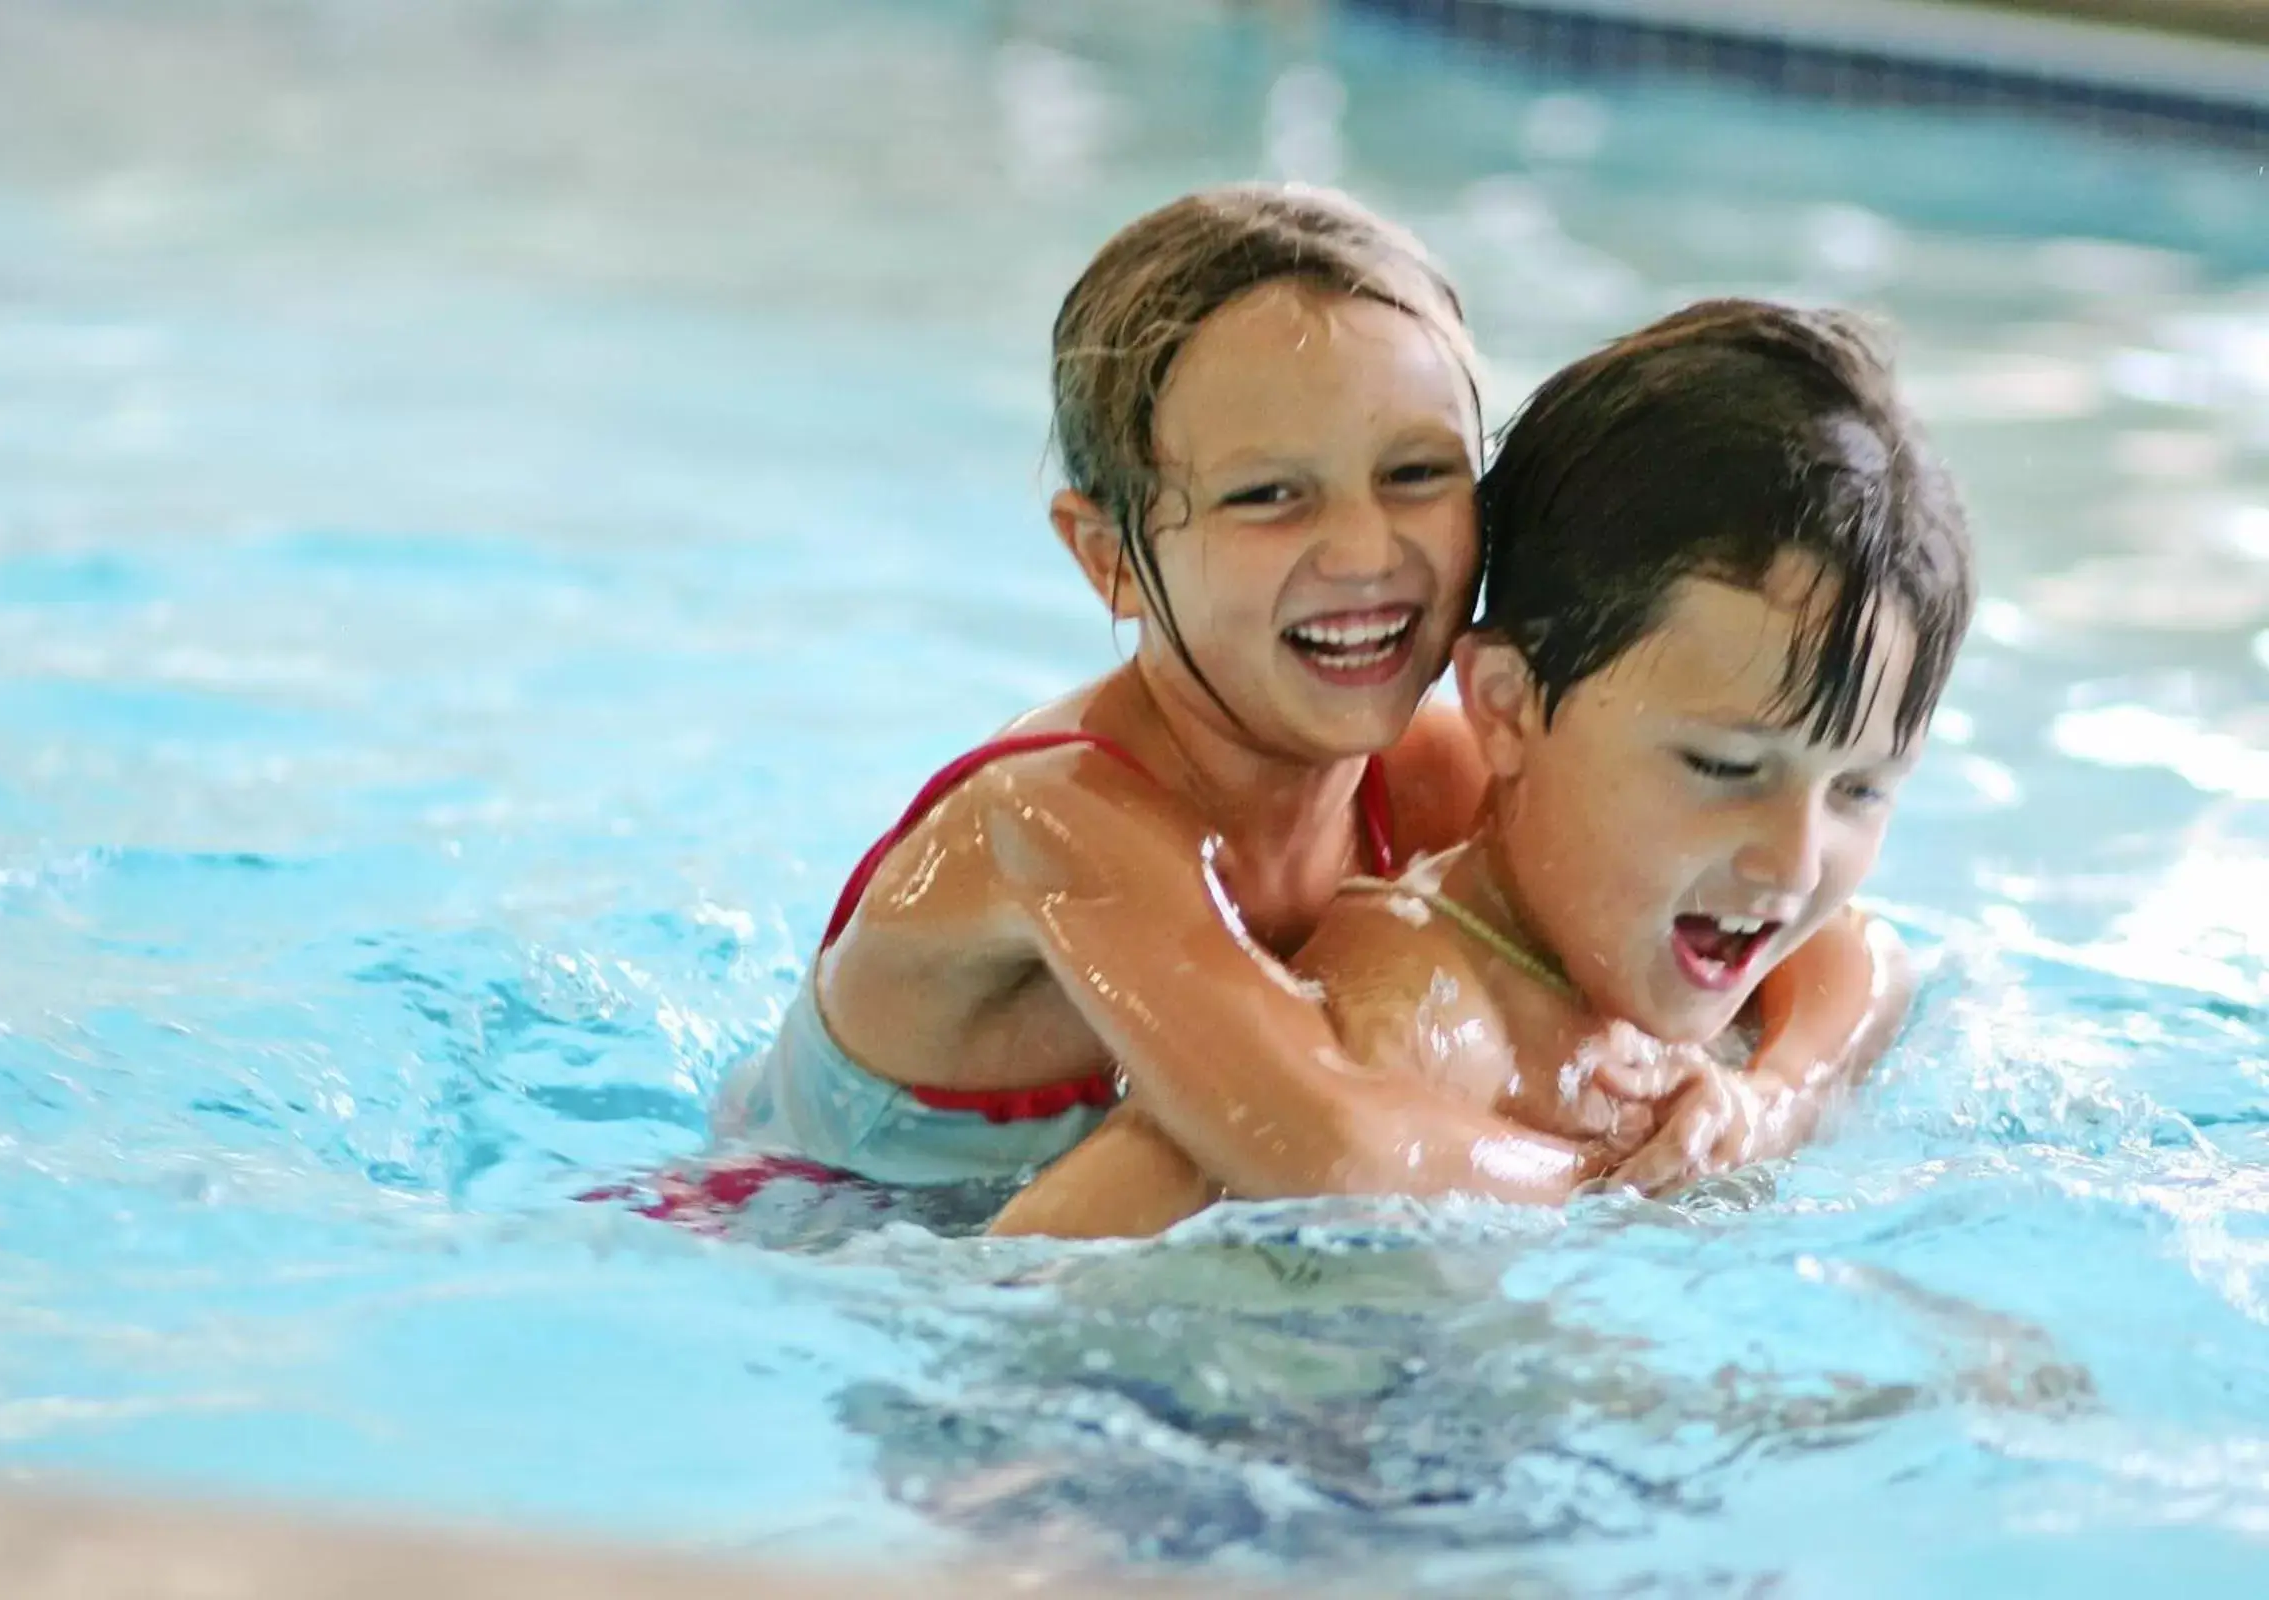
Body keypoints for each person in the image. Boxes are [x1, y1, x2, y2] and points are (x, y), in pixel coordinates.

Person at [710, 187, 1891, 1204]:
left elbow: (1839, 948)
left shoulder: (1432, 771)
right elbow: (1326, 1146)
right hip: (820, 1254)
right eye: (1272, 494)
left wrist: (1761, 1102)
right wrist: (1632, 1169)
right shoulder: (1054, 821)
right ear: (1108, 556)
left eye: (1417, 473)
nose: (1367, 549)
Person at [990, 300, 1969, 1237]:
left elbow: (1864, 958)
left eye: (1860, 788)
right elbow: (1034, 1257)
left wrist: (1769, 1104)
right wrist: (1606, 1183)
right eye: (1725, 766)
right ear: (1504, 707)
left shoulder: (1668, 924)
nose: (1794, 866)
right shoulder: (1415, 1018)